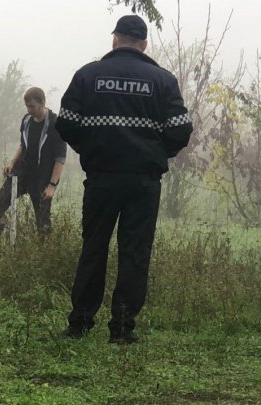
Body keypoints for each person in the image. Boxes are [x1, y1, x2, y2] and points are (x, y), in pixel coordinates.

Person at [55, 15, 193, 344]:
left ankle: (80, 323)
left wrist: (92, 148)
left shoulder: (88, 75)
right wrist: (156, 154)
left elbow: (67, 123)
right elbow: (180, 129)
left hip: (101, 177)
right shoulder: (162, 80)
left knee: (94, 248)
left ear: (114, 40)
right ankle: (121, 328)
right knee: (134, 253)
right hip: (143, 182)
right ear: (144, 44)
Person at [0, 87, 66, 234]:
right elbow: (23, 145)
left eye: (32, 106)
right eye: (27, 106)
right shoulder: (27, 120)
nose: (29, 110)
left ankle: (44, 252)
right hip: (21, 173)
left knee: (43, 223)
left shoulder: (56, 124)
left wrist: (52, 186)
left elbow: (60, 158)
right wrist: (12, 162)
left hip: (42, 178)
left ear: (42, 102)